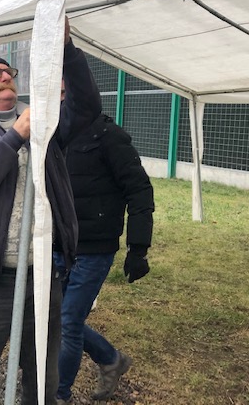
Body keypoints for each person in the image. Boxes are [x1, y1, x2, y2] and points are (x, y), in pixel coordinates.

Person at [0, 17, 101, 405]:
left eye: (8, 71)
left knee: (43, 381)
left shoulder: (45, 123)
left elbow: (87, 108)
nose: (5, 77)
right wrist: (14, 137)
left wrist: (66, 50)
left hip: (41, 276)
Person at [54, 112, 154, 404]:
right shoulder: (53, 133)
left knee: (68, 322)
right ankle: (111, 359)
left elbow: (139, 189)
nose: (61, 100)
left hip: (95, 249)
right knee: (57, 318)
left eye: (67, 93)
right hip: (58, 245)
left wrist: (138, 248)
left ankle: (58, 395)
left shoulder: (110, 136)